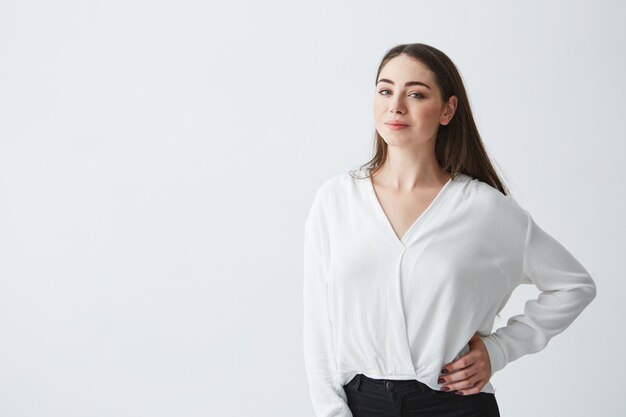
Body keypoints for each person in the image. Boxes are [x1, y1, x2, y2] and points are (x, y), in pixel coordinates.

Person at [302, 43, 597, 417]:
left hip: (453, 405)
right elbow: (318, 328)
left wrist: (499, 350)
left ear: (447, 110)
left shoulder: (484, 209)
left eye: (416, 93)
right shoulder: (335, 201)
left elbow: (574, 285)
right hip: (360, 403)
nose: (396, 105)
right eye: (385, 90)